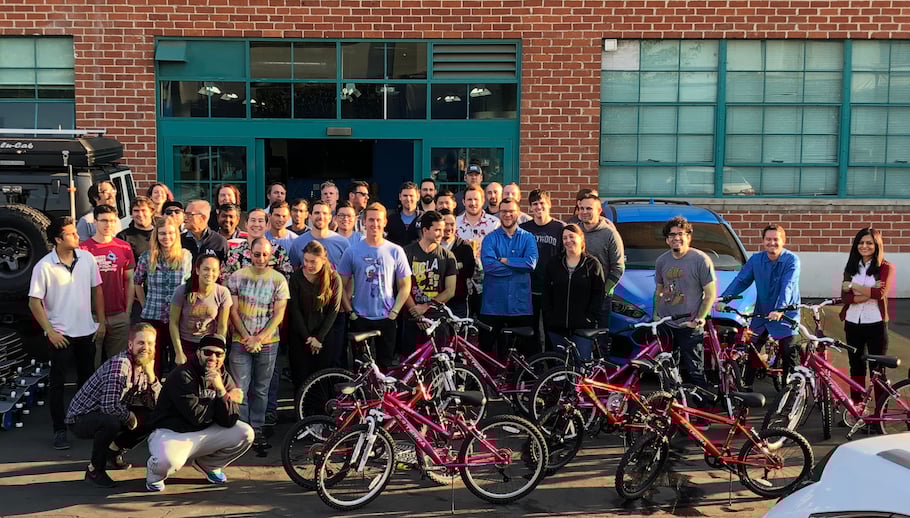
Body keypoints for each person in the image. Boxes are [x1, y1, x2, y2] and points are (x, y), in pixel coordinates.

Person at [28, 216, 105, 450]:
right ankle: (59, 430)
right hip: (60, 335)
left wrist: (101, 322)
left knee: (87, 381)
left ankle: (84, 424)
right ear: (58, 239)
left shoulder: (87, 259)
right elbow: (34, 302)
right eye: (71, 234)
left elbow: (97, 290)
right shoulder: (44, 266)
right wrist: (50, 331)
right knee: (58, 384)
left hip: (86, 331)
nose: (77, 236)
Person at [145, 333, 253, 492]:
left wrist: (222, 391)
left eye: (218, 354)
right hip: (172, 433)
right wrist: (226, 398)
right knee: (167, 462)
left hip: (203, 432)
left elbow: (229, 420)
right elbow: (197, 417)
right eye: (207, 352)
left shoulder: (223, 377)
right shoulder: (182, 375)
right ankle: (154, 474)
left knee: (245, 433)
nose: (213, 358)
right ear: (198, 352)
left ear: (224, 356)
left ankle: (209, 465)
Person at [65, 323, 161, 487]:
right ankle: (95, 470)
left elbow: (158, 404)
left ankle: (113, 451)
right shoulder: (121, 365)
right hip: (80, 418)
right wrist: (129, 417)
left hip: (107, 411)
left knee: (153, 417)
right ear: (130, 345)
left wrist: (152, 377)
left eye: (150, 343)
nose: (146, 348)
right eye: (141, 343)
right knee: (110, 422)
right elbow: (108, 406)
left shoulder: (145, 366)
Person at [719, 224, 800, 390]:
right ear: (763, 241)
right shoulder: (756, 259)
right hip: (762, 311)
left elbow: (788, 286)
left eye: (776, 239)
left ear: (783, 241)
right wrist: (724, 299)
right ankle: (746, 387)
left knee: (788, 350)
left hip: (785, 313)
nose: (772, 243)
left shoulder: (791, 260)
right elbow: (741, 280)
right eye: (768, 239)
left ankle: (790, 390)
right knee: (751, 348)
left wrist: (780, 309)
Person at [226, 238, 289, 450]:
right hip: (240, 340)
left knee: (262, 388)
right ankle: (242, 429)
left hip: (268, 342)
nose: (260, 258)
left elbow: (279, 314)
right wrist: (247, 337)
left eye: (264, 254)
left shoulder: (279, 279)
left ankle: (258, 428)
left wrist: (259, 338)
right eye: (256, 254)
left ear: (270, 256)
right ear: (249, 254)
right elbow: (233, 311)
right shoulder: (237, 276)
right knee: (240, 387)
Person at [338, 202, 412, 369]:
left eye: (378, 220)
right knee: (361, 367)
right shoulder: (352, 251)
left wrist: (394, 312)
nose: (375, 224)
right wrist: (350, 312)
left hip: (387, 318)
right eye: (371, 220)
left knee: (385, 367)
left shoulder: (395, 251)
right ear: (364, 222)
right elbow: (340, 285)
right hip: (360, 317)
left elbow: (405, 285)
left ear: (385, 222)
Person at [653, 217, 716, 389]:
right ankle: (673, 402)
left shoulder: (701, 260)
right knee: (667, 370)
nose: (676, 238)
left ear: (688, 236)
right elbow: (658, 290)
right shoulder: (661, 261)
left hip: (690, 325)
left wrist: (698, 319)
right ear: (667, 240)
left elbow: (710, 294)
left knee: (695, 370)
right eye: (672, 235)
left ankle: (703, 404)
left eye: (680, 234)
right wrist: (656, 315)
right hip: (666, 324)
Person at [840, 227, 895, 404]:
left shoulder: (886, 267)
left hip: (876, 324)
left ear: (877, 245)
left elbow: (880, 294)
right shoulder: (851, 267)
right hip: (852, 322)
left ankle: (879, 412)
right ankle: (857, 406)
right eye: (861, 243)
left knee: (877, 370)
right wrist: (867, 293)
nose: (864, 246)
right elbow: (845, 297)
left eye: (869, 243)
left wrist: (853, 286)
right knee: (856, 367)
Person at [134, 215, 193, 375]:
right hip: (153, 315)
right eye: (162, 233)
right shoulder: (147, 257)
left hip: (178, 316)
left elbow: (188, 283)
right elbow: (137, 282)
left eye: (171, 233)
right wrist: (144, 304)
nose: (167, 237)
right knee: (153, 361)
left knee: (178, 360)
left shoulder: (185, 256)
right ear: (156, 235)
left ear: (176, 234)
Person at [479, 198, 538, 357]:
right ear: (499, 213)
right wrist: (518, 267)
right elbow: (489, 266)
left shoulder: (528, 238)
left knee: (525, 355)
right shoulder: (490, 239)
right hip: (493, 306)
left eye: (511, 211)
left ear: (518, 212)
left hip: (520, 306)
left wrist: (505, 261)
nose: (507, 214)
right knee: (486, 353)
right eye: (504, 211)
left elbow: (530, 264)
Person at [81, 204, 135, 365]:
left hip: (119, 314)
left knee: (118, 365)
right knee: (93, 363)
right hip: (92, 317)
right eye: (104, 220)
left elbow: (130, 280)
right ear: (95, 222)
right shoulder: (83, 249)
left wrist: (127, 311)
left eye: (112, 220)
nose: (108, 225)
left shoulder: (124, 247)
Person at [543, 224, 605, 360]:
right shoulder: (554, 263)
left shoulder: (592, 264)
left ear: (581, 238)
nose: (568, 240)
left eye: (572, 236)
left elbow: (598, 295)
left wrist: (589, 318)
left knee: (580, 365)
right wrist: (550, 316)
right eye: (564, 238)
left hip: (582, 329)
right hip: (557, 327)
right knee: (560, 366)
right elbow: (547, 293)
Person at [287, 240, 343, 390]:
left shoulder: (333, 278)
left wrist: (319, 338)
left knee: (322, 379)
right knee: (300, 378)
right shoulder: (296, 278)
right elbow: (295, 309)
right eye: (306, 260)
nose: (308, 265)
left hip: (324, 335)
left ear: (323, 260)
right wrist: (308, 338)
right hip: (300, 335)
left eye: (313, 262)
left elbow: (333, 310)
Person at [402, 211, 457, 354]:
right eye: (437, 230)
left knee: (439, 360)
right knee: (411, 362)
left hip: (437, 319)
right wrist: (417, 314)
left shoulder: (447, 256)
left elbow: (450, 291)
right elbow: (401, 287)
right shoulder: (406, 253)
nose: (441, 234)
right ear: (425, 230)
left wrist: (426, 307)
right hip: (411, 318)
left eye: (442, 229)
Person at [520, 189, 565, 350]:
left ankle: (553, 361)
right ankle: (534, 361)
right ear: (530, 207)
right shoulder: (523, 229)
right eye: (535, 204)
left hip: (552, 288)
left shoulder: (560, 228)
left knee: (551, 329)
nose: (539, 207)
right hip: (529, 287)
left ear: (549, 204)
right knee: (530, 330)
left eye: (542, 203)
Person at [169, 254, 232, 361]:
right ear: (198, 270)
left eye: (214, 270)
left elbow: (222, 326)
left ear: (218, 273)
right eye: (206, 269)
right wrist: (179, 352)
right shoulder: (181, 291)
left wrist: (218, 351)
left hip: (209, 344)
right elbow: (173, 322)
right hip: (185, 344)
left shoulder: (222, 293)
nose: (210, 273)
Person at [577, 190, 625, 328]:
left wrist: (603, 291)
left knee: (599, 334)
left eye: (589, 208)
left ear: (599, 210)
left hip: (601, 297)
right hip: (578, 293)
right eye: (581, 208)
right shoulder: (575, 232)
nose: (584, 212)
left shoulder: (610, 234)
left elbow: (618, 268)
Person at [455, 184, 500, 316]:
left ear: (483, 201)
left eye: (476, 199)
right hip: (461, 283)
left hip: (488, 283)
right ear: (463, 201)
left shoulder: (494, 223)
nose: (473, 203)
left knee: (486, 322)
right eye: (469, 199)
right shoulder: (455, 223)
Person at [221, 208, 292, 282]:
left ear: (267, 225)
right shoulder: (234, 251)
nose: (256, 224)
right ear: (246, 224)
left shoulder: (278, 251)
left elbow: (286, 280)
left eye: (260, 221)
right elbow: (225, 279)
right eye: (253, 220)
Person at [289, 200, 350, 269]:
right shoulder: (298, 243)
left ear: (330, 218)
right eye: (317, 213)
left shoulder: (343, 243)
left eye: (324, 213)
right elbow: (294, 270)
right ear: (310, 216)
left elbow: (348, 271)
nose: (321, 217)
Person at [439, 209, 476, 318]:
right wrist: (458, 265)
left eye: (452, 224)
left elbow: (469, 272)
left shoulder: (464, 247)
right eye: (445, 224)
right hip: (435, 299)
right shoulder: (432, 246)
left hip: (458, 301)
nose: (449, 228)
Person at [117, 195, 156, 262]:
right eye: (136, 211)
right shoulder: (123, 237)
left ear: (151, 212)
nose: (140, 214)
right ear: (131, 213)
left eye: (143, 210)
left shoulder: (161, 234)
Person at [386, 181, 421, 246]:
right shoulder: (391, 219)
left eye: (411, 196)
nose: (408, 199)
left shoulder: (424, 218)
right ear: (400, 197)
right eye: (405, 195)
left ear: (418, 197)